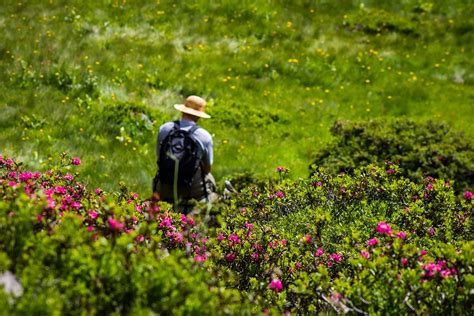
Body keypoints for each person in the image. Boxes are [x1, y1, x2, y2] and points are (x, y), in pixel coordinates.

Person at [153, 95, 217, 213]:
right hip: (192, 192)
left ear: (183, 110)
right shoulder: (204, 136)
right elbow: (207, 168)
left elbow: (158, 156)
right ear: (199, 115)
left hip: (164, 188)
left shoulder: (164, 129)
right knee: (211, 179)